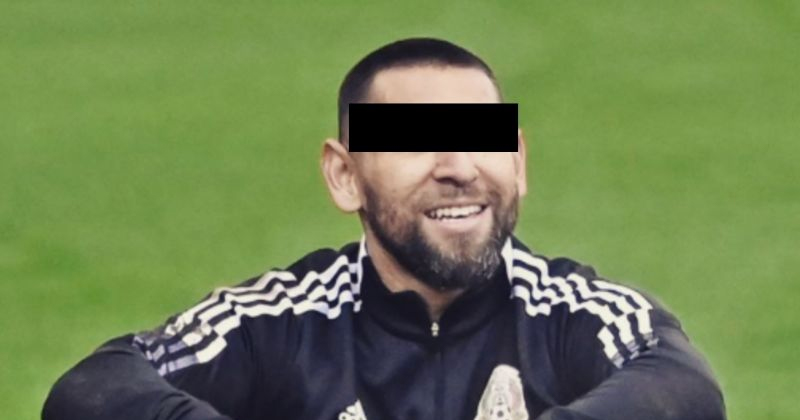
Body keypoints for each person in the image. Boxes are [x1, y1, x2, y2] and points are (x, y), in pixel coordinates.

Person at [42, 38, 725, 420]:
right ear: (345, 175)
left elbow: (683, 386)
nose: (458, 168)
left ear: (518, 163)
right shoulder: (280, 320)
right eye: (415, 142)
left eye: (482, 140)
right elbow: (93, 389)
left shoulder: (573, 314)